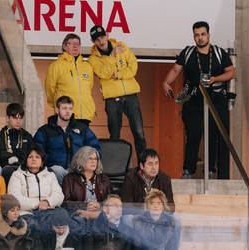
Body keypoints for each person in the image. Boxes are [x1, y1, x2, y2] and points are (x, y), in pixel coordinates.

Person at [161, 21, 235, 179]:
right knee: (194, 133)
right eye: (197, 35)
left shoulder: (219, 53)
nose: (200, 38)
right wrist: (166, 83)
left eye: (203, 34)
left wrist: (215, 79)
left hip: (215, 98)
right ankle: (188, 170)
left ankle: (210, 170)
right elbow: (175, 69)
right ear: (194, 37)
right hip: (193, 98)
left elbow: (231, 72)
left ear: (208, 35)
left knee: (214, 135)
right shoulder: (187, 53)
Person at [88, 25, 146, 163]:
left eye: (102, 37)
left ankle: (143, 166)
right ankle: (115, 169)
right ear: (92, 41)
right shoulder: (93, 59)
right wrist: (113, 56)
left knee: (139, 132)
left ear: (107, 35)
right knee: (114, 135)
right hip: (112, 99)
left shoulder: (121, 46)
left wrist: (119, 74)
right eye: (97, 40)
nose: (101, 41)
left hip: (131, 95)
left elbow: (133, 66)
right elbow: (104, 73)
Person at [34, 96, 101, 184]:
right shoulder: (45, 130)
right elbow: (37, 151)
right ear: (57, 110)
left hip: (78, 170)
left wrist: (87, 164)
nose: (68, 111)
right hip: (55, 171)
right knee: (56, 170)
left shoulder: (82, 129)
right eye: (64, 108)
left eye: (70, 108)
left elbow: (95, 149)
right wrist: (47, 163)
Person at [45, 33, 95, 126]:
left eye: (78, 44)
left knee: (81, 140)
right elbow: (50, 89)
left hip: (85, 113)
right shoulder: (56, 65)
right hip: (65, 114)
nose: (75, 47)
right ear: (64, 46)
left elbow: (89, 87)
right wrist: (58, 106)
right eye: (71, 44)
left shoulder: (87, 66)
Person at [7, 145, 64, 215]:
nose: (33, 159)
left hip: (49, 210)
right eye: (30, 157)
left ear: (42, 163)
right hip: (27, 213)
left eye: (37, 157)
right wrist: (38, 204)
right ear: (26, 161)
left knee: (63, 216)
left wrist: (47, 202)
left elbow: (58, 195)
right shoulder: (17, 175)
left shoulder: (50, 175)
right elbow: (14, 198)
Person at [62, 146, 112, 220]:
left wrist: (100, 205)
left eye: (95, 159)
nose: (93, 161)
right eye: (90, 158)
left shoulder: (103, 179)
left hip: (100, 214)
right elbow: (65, 203)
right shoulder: (69, 179)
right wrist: (85, 205)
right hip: (79, 214)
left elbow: (112, 200)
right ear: (81, 160)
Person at [121, 148, 174, 213]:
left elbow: (171, 206)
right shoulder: (131, 178)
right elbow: (127, 206)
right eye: (150, 164)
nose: (154, 167)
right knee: (128, 219)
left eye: (156, 163)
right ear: (141, 166)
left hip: (158, 215)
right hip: (138, 216)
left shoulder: (165, 179)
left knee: (176, 220)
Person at [0, 103, 33, 186]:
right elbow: (0, 154)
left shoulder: (26, 135)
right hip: (7, 167)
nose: (18, 121)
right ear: (7, 118)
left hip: (24, 166)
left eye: (21, 118)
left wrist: (13, 154)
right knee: (8, 170)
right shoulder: (0, 135)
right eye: (15, 118)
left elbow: (30, 153)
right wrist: (15, 155)